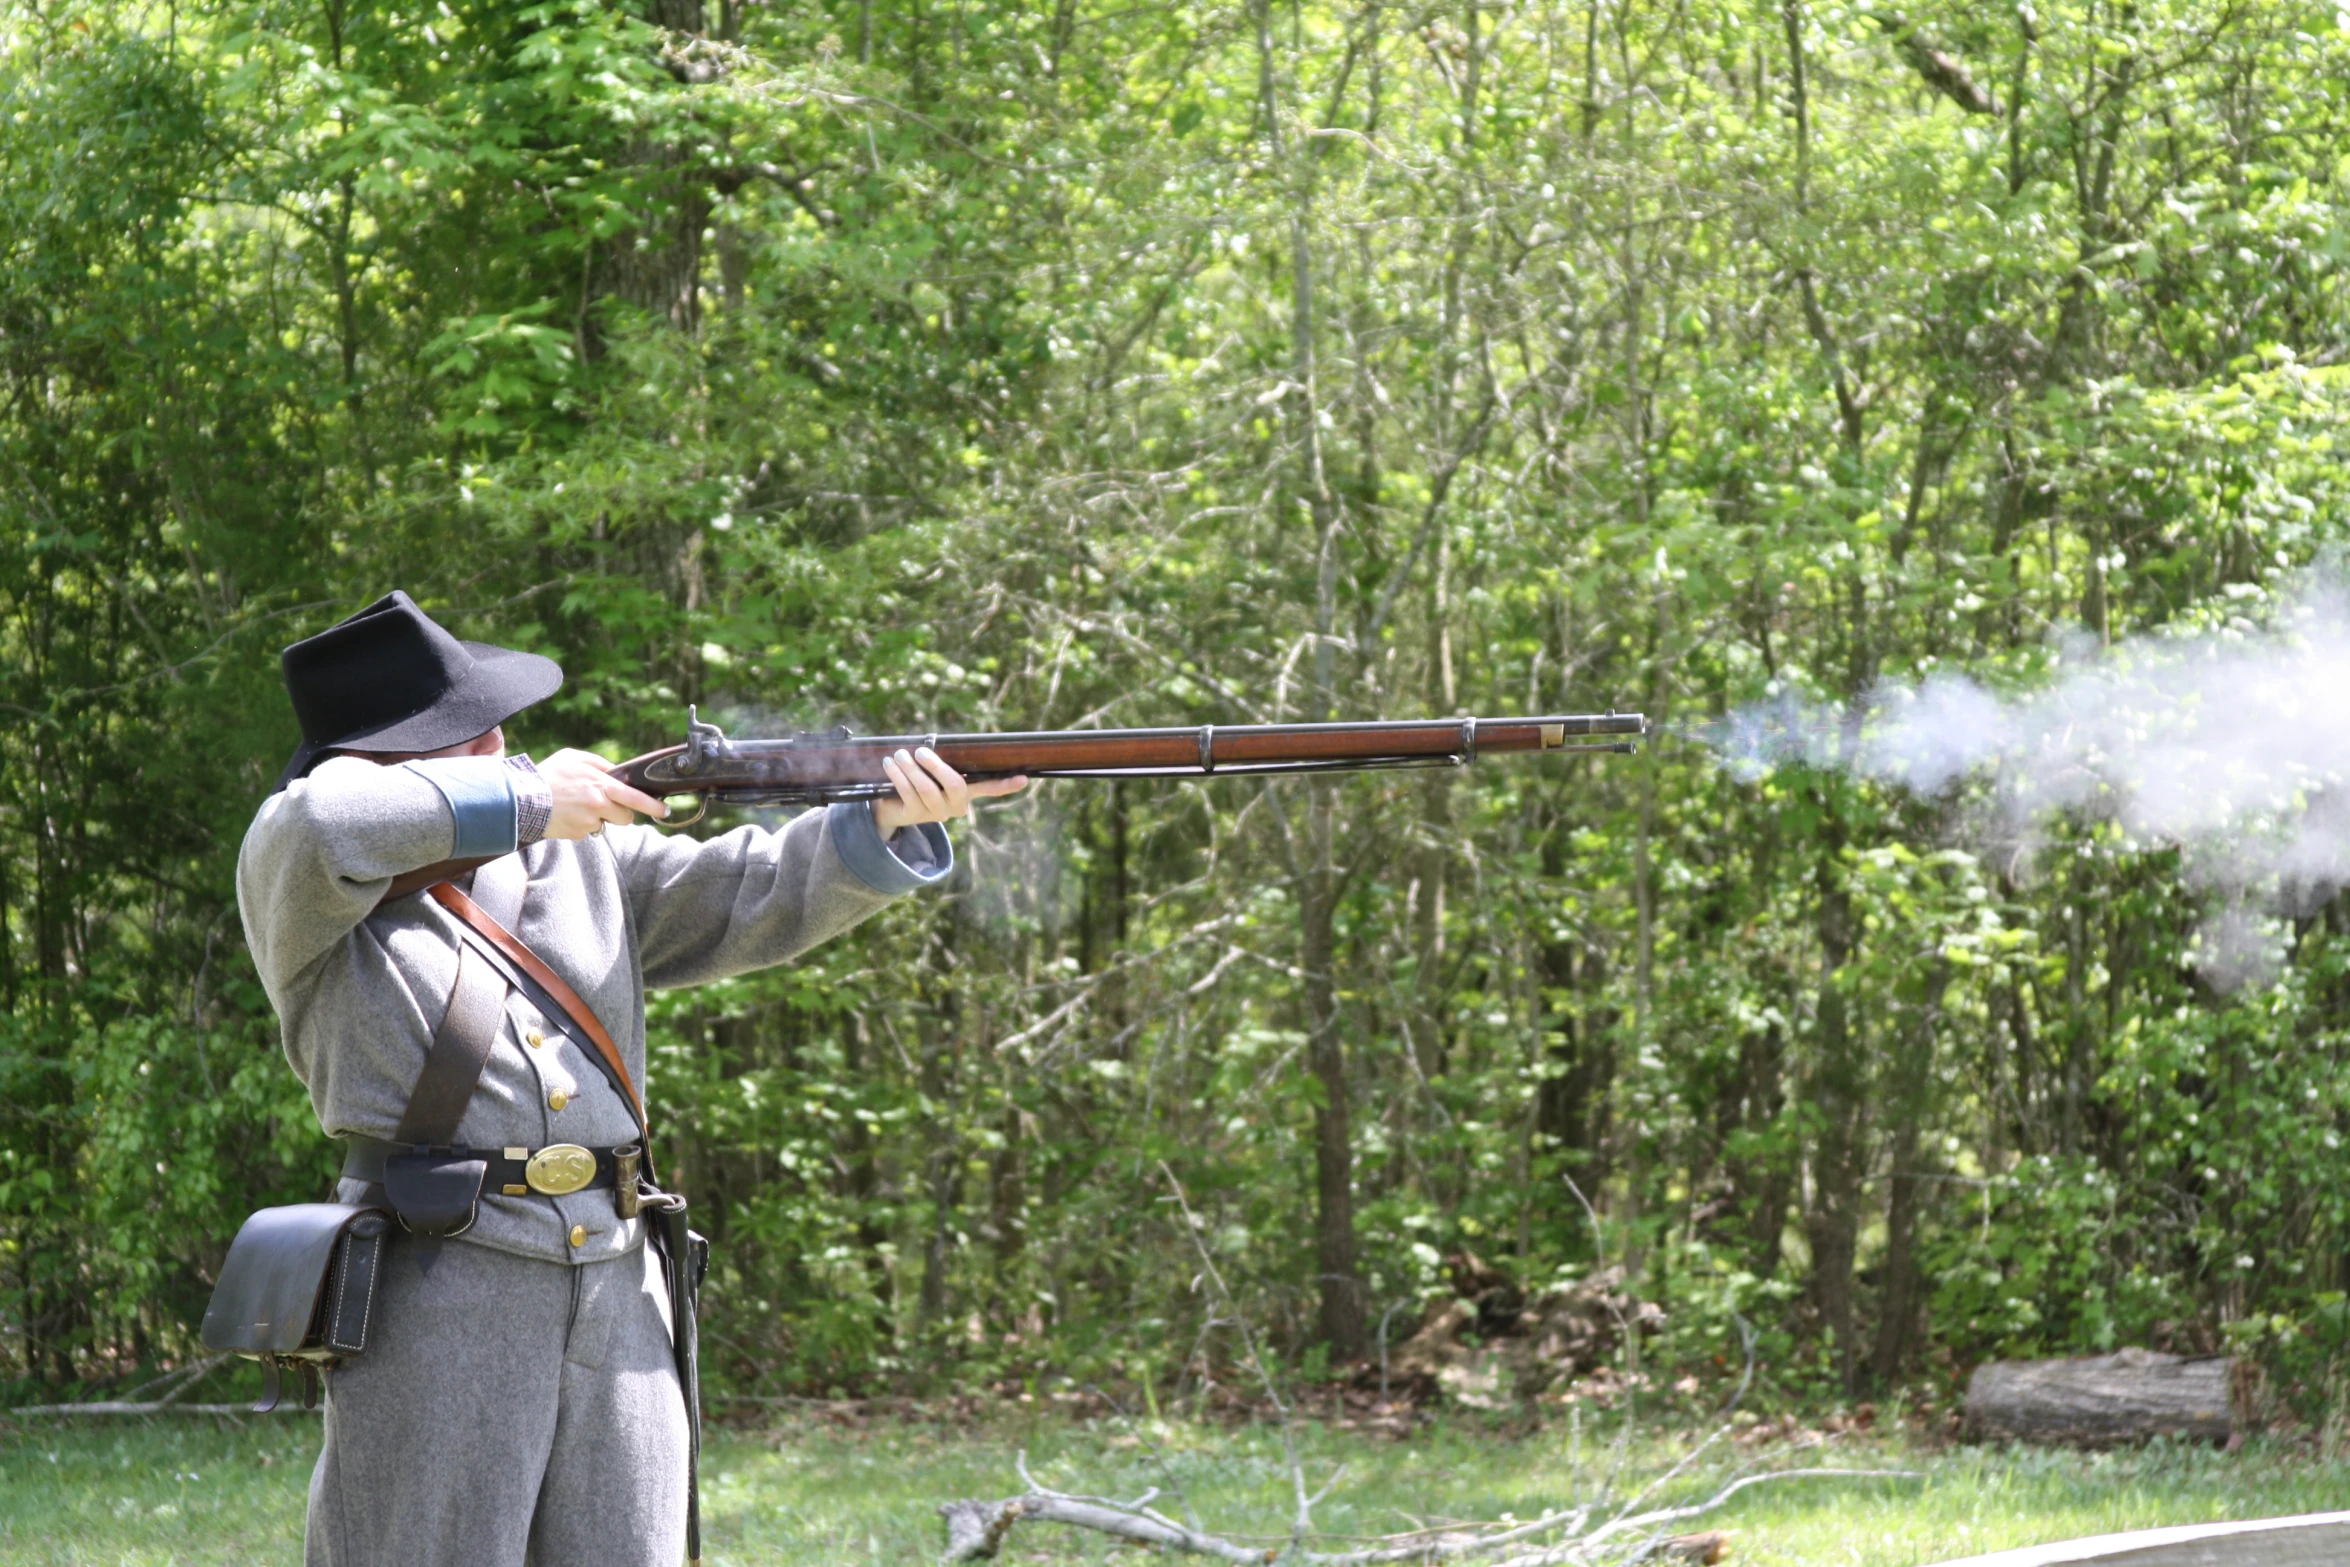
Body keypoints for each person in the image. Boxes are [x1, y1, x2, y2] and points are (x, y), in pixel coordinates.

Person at [236, 591, 1023, 1566]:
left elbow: (750, 891)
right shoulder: (304, 868)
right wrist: (528, 797)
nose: (496, 743)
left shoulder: (574, 857)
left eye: (489, 731)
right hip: (439, 1279)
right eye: (457, 736)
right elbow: (319, 818)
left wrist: (879, 823)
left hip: (618, 1276)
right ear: (379, 759)